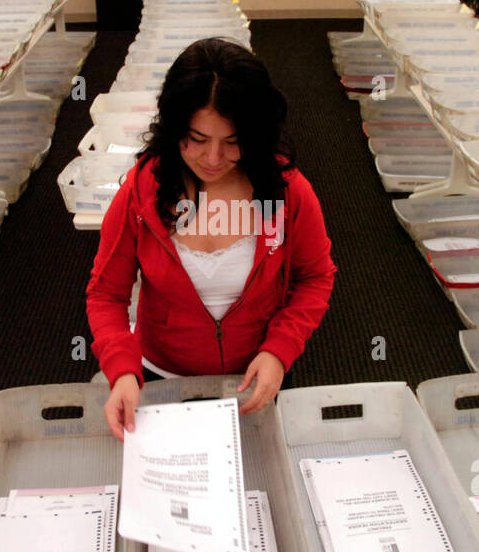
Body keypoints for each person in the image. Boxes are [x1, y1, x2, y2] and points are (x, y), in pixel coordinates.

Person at [87, 38, 336, 440]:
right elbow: (106, 294)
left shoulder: (283, 190)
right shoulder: (143, 191)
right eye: (198, 140)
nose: (213, 159)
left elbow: (315, 277)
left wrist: (279, 351)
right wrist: (121, 370)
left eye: (233, 142)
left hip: (256, 378)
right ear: (173, 127)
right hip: (160, 379)